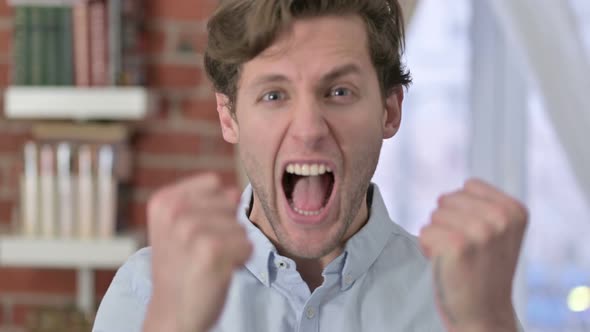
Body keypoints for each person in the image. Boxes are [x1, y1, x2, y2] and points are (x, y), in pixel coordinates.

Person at [92, 0, 528, 331]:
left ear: (390, 111)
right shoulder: (149, 288)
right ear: (229, 117)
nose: (308, 130)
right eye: (274, 95)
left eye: (339, 91)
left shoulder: (463, 301)